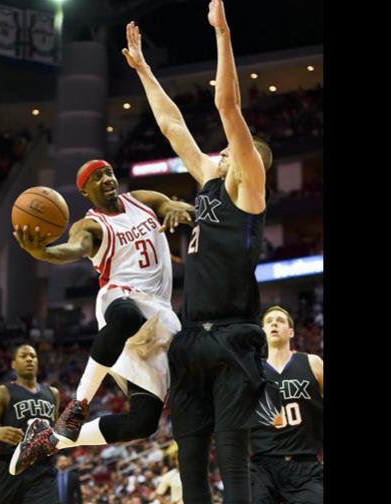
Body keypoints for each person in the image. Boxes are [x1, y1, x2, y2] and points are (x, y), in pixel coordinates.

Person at [122, 1, 274, 500]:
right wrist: (144, 70)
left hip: (234, 337)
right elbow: (172, 127)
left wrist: (224, 35)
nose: (222, 150)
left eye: (231, 148)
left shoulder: (249, 184)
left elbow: (227, 108)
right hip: (190, 338)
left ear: (250, 157)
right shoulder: (209, 180)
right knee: (190, 464)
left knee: (233, 463)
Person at [10, 158, 194, 474]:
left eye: (108, 172)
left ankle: (50, 440)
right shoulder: (91, 226)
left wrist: (180, 209)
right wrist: (43, 254)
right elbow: (72, 249)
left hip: (160, 317)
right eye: (97, 177)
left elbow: (175, 207)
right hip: (120, 300)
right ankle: (78, 405)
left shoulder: (142, 200)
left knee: (143, 423)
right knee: (127, 317)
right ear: (85, 191)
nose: (106, 178)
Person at [250, 306, 324, 503]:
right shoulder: (251, 371)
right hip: (263, 467)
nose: (274, 323)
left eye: (280, 320)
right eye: (269, 321)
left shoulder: (312, 363)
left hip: (305, 465)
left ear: (291, 332)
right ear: (263, 331)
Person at [0, 344, 60, 503]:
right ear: (13, 363)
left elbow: (57, 433)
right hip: (9, 466)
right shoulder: (3, 392)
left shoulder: (53, 394)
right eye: (23, 356)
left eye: (33, 356)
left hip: (43, 471)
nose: (29, 360)